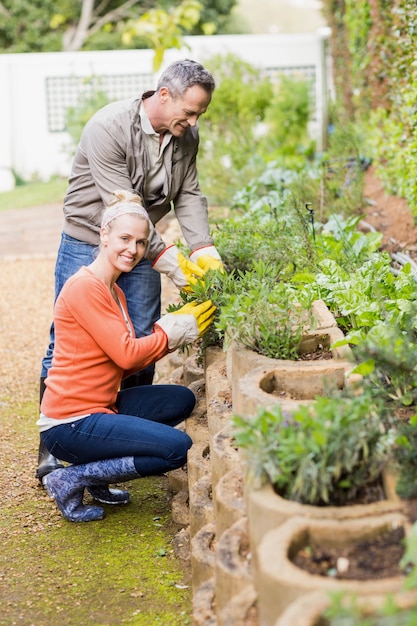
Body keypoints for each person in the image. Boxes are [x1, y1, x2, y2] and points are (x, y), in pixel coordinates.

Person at [37, 58, 223, 483]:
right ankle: (52, 448)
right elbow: (126, 209)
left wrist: (204, 248)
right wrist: (174, 264)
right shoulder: (109, 127)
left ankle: (120, 436)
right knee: (64, 341)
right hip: (94, 238)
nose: (194, 121)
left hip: (139, 243)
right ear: (163, 95)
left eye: (200, 114)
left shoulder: (184, 137)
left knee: (140, 332)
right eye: (189, 111)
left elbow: (189, 194)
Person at [38, 190, 216, 522]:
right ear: (104, 235)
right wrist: (171, 332)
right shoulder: (84, 287)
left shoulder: (114, 290)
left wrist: (172, 333)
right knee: (178, 448)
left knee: (180, 400)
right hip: (69, 423)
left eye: (139, 242)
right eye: (124, 238)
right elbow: (126, 355)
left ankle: (96, 474)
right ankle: (72, 477)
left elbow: (121, 362)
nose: (132, 250)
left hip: (101, 405)